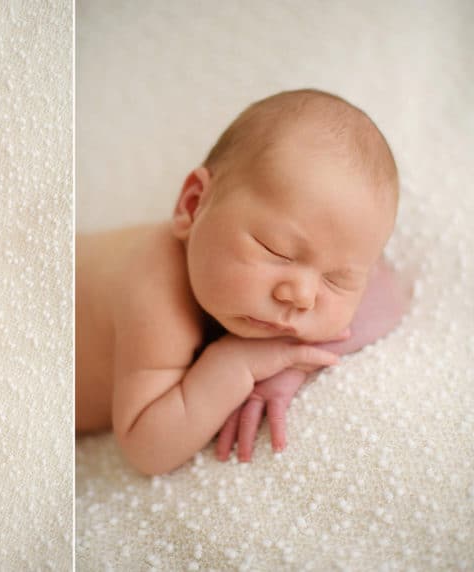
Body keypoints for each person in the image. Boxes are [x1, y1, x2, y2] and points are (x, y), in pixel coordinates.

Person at [76, 89, 409, 476]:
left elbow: (388, 297)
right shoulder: (155, 294)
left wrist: (293, 365)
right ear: (193, 204)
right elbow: (146, 448)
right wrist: (235, 365)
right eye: (277, 251)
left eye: (337, 279)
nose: (301, 297)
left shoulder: (270, 281)